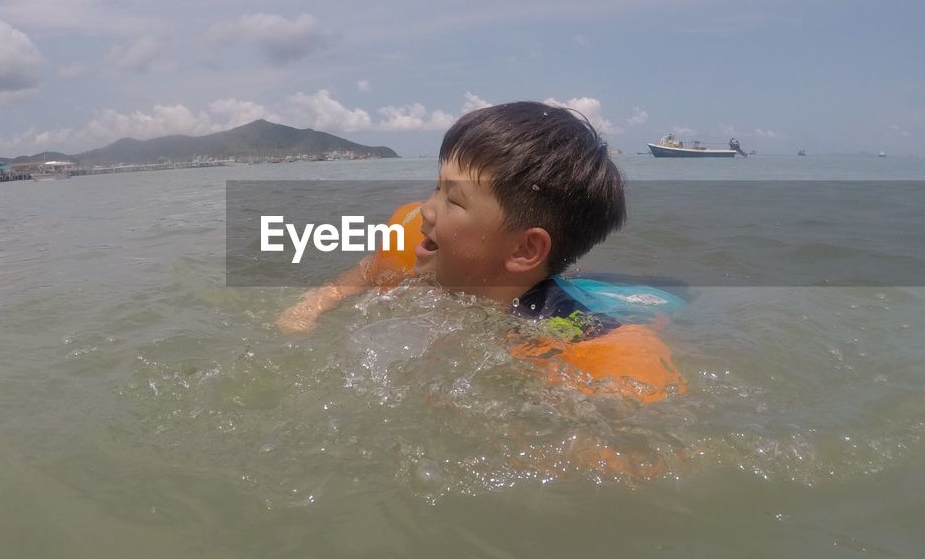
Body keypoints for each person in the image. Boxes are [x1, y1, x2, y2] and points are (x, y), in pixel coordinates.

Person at [276, 101, 685, 401]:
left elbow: (630, 406)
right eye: (437, 187)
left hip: (625, 300)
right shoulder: (418, 249)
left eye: (453, 200)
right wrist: (319, 301)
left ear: (525, 249)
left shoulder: (557, 330)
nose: (426, 209)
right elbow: (367, 272)